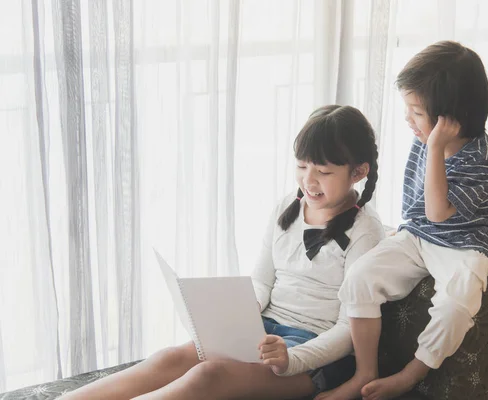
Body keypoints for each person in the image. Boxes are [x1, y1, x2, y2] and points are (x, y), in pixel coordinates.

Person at [60, 104, 385, 400]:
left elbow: (349, 328)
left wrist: (292, 358)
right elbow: (262, 282)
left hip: (313, 356)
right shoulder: (289, 206)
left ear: (358, 172)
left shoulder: (365, 230)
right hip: (262, 333)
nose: (308, 180)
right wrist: (234, 317)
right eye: (301, 166)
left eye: (324, 173)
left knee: (208, 375)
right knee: (169, 358)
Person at [318, 41, 488, 400]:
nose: (408, 120)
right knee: (360, 275)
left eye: (416, 112)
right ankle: (365, 371)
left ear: (451, 119)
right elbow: (421, 211)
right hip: (421, 235)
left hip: (468, 245)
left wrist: (436, 148)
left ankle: (410, 374)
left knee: (454, 307)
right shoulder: (425, 139)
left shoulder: (480, 159)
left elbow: (439, 212)